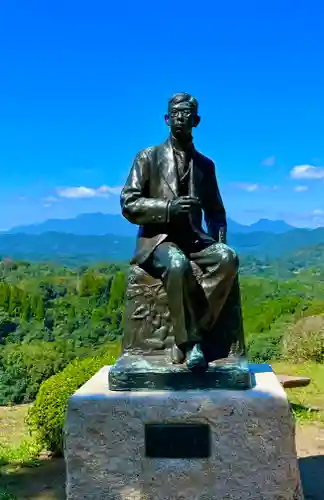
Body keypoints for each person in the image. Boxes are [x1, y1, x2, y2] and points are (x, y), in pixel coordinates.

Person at [120, 93, 239, 371]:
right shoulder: (148, 157)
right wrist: (168, 208)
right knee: (176, 263)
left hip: (195, 238)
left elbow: (216, 212)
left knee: (228, 258)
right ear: (166, 119)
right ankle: (191, 344)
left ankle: (190, 331)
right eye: (175, 113)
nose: (180, 118)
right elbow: (129, 202)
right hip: (158, 240)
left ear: (196, 120)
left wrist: (219, 242)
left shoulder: (206, 166)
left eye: (186, 113)